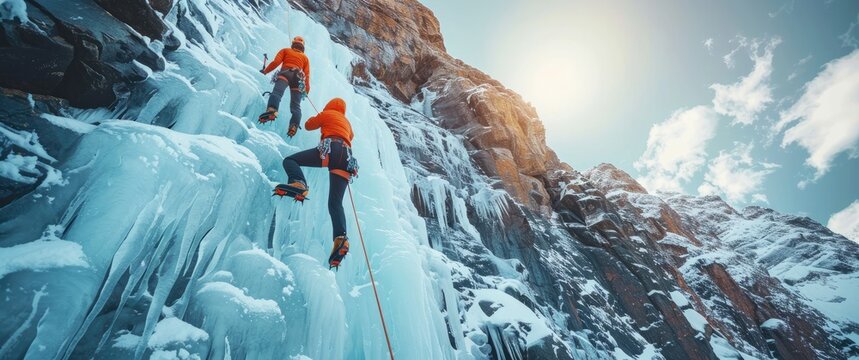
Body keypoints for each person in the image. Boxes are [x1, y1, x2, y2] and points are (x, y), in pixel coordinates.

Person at [276, 98, 358, 269]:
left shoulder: (327, 113)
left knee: (290, 161)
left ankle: (298, 183)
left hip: (331, 149)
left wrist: (319, 119)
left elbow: (308, 125)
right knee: (335, 204)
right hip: (347, 159)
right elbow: (351, 136)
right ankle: (340, 239)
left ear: (330, 106)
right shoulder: (347, 123)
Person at [259, 36, 311, 137]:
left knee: (277, 94)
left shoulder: (286, 50)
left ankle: (272, 111)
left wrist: (265, 71)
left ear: (293, 44)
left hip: (286, 73)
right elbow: (307, 76)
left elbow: (276, 62)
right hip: (298, 78)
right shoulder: (305, 58)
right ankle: (294, 125)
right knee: (296, 106)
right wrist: (306, 91)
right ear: (302, 47)